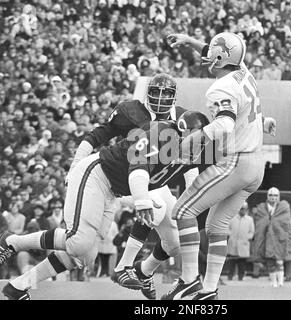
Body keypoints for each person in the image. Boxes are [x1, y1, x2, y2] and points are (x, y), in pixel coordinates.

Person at [0, 110, 210, 300]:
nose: (198, 146)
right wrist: (142, 200)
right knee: (79, 243)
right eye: (197, 139)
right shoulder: (163, 133)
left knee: (83, 257)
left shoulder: (187, 151)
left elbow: (195, 179)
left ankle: (18, 287)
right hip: (97, 174)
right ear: (184, 131)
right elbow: (138, 168)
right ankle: (13, 241)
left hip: (113, 190)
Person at [161, 32, 275, 300]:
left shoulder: (220, 87)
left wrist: (195, 139)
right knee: (216, 226)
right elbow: (227, 58)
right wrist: (190, 40)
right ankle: (209, 289)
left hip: (237, 160)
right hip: (256, 165)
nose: (207, 55)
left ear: (221, 57)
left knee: (183, 210)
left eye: (212, 52)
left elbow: (224, 124)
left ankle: (189, 280)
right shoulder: (243, 73)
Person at [68, 73, 199, 300]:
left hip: (156, 180)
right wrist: (75, 166)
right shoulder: (130, 110)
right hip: (128, 177)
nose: (160, 97)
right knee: (154, 204)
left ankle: (144, 271)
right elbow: (98, 135)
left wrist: (191, 195)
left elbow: (190, 159)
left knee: (175, 242)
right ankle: (124, 266)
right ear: (147, 93)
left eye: (166, 92)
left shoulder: (183, 118)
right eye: (156, 91)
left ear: (174, 96)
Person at [252, 187, 291, 288]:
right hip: (267, 239)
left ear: (278, 196)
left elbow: (285, 223)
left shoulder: (284, 207)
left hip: (279, 238)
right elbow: (260, 223)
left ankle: (280, 281)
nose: (273, 197)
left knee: (279, 260)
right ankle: (273, 282)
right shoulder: (262, 208)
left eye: (275, 195)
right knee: (270, 262)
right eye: (271, 195)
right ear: (267, 197)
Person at [226, 202, 255, 281]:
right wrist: (231, 234)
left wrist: (247, 238)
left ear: (247, 209)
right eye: (241, 208)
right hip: (233, 243)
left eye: (244, 209)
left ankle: (240, 277)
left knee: (242, 262)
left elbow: (252, 232)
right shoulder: (232, 218)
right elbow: (227, 228)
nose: (243, 210)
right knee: (232, 261)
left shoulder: (250, 219)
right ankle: (230, 276)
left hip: (243, 244)